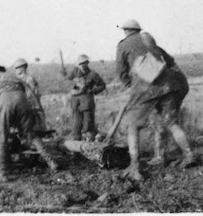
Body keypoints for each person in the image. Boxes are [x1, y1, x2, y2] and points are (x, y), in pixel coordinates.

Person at [115, 19, 194, 181]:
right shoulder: (149, 42)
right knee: (171, 122)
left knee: (134, 126)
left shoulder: (123, 45)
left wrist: (132, 86)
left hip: (145, 88)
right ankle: (187, 155)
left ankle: (134, 165)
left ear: (125, 31)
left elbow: (121, 73)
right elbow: (170, 61)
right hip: (169, 85)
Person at [0, 62, 58, 182]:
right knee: (30, 135)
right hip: (23, 101)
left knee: (0, 138)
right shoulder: (12, 76)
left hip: (5, 100)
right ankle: (51, 162)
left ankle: (3, 174)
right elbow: (29, 94)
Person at [60, 54, 106, 141]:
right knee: (76, 124)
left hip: (87, 102)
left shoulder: (92, 74)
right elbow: (66, 82)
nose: (81, 65)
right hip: (75, 102)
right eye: (80, 63)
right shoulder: (74, 72)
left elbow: (102, 85)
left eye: (83, 63)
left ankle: (89, 143)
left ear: (87, 63)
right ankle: (76, 144)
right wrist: (74, 83)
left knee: (88, 124)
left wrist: (93, 91)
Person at [12, 58, 47, 133]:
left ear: (22, 68)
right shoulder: (18, 79)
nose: (16, 70)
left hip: (31, 105)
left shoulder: (29, 79)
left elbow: (34, 93)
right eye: (15, 69)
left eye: (17, 68)